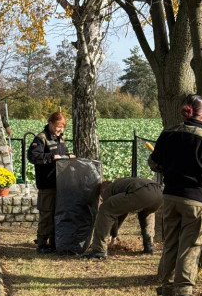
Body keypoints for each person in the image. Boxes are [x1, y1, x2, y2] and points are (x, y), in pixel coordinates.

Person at [148, 94, 202, 296]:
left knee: (170, 244)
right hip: (197, 201)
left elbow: (154, 163)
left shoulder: (168, 134)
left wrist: (169, 169)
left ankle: (167, 294)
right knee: (189, 248)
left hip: (170, 197)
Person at [27, 111, 75, 253]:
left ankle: (55, 242)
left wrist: (68, 156)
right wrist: (52, 157)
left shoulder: (60, 139)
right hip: (46, 183)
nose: (60, 129)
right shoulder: (41, 138)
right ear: (50, 123)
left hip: (60, 183)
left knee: (57, 214)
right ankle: (42, 243)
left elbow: (62, 154)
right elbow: (33, 156)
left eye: (62, 127)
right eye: (58, 126)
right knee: (46, 214)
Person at [83, 177, 163, 259]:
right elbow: (121, 211)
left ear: (102, 190)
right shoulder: (122, 183)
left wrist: (113, 234)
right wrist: (114, 234)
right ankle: (149, 246)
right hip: (158, 193)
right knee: (146, 214)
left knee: (105, 209)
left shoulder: (108, 189)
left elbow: (111, 215)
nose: (102, 197)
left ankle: (99, 251)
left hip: (141, 192)